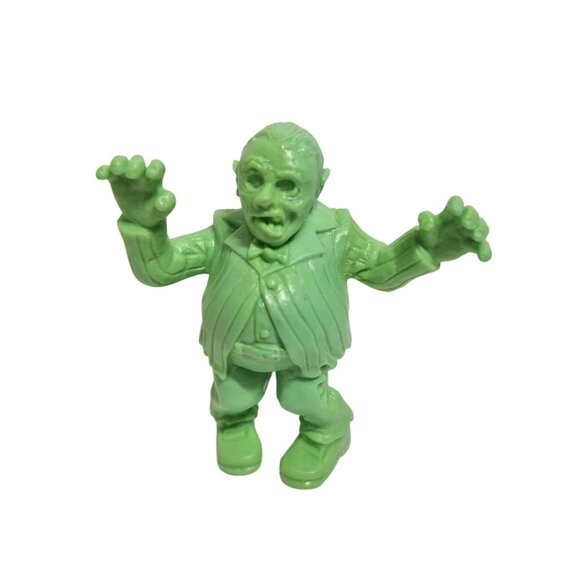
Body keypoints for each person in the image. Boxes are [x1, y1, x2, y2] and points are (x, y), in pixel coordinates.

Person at [97, 122, 491, 489]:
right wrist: (143, 225)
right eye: (254, 179)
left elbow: (382, 269)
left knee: (303, 398)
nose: (265, 199)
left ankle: (327, 432)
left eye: (288, 186)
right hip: (235, 352)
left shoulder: (337, 236)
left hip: (305, 354)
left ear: (319, 186)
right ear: (236, 178)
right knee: (232, 396)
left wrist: (426, 249)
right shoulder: (221, 234)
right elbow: (161, 268)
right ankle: (234, 423)